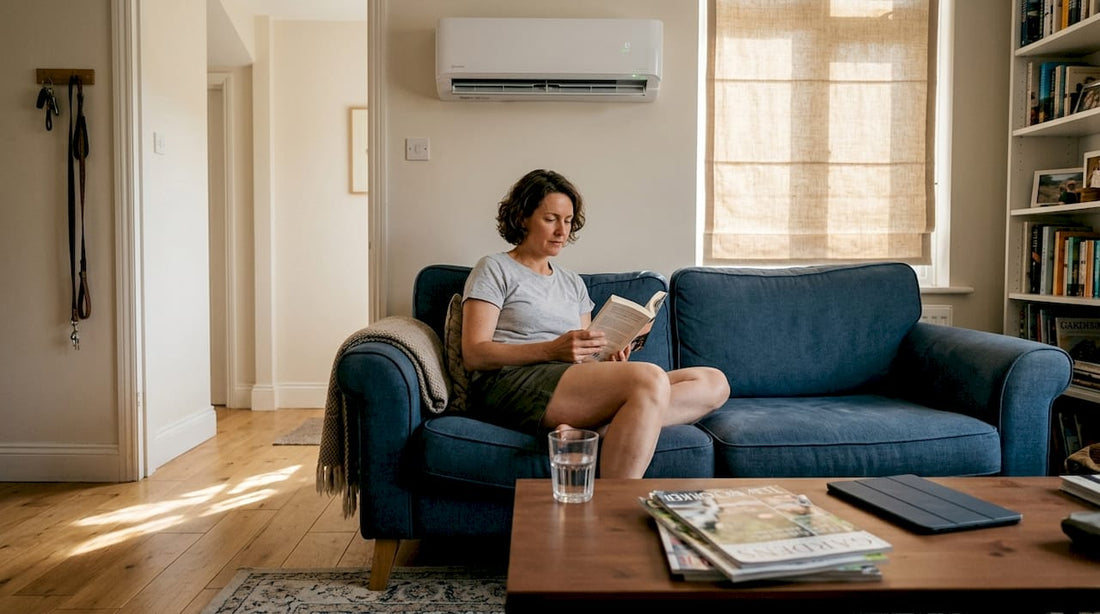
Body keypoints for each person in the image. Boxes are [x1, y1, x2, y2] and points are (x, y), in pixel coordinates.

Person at [460, 169, 730, 479]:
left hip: (570, 379)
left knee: (712, 382)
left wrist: (608, 357)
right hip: (514, 382)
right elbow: (474, 354)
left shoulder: (572, 283)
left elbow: (586, 359)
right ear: (522, 217)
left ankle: (598, 428)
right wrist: (551, 350)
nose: (562, 230)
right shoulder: (494, 268)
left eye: (568, 220)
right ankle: (611, 506)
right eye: (551, 219)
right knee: (649, 378)